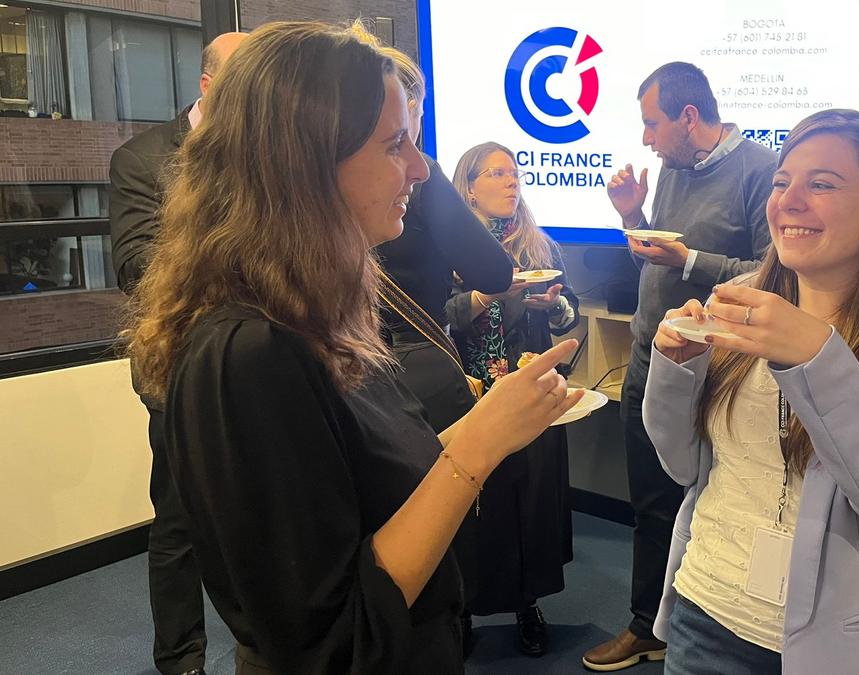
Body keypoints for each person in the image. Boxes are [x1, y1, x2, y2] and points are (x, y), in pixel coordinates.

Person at [124, 21, 583, 674]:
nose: (420, 168)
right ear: (307, 164)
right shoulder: (250, 352)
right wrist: (478, 449)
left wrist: (491, 420)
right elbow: (335, 635)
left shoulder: (322, 312)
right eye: (395, 145)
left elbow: (369, 486)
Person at [645, 110, 859, 674]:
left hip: (848, 645)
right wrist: (676, 369)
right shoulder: (737, 300)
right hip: (706, 611)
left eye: (822, 185)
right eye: (781, 182)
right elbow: (682, 464)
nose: (790, 201)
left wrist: (818, 359)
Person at [584, 61, 778, 671]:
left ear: (689, 117)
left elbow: (771, 277)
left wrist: (689, 259)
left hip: (714, 370)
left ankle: (698, 628)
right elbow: (656, 263)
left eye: (652, 124)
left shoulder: (760, 171)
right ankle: (649, 625)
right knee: (649, 500)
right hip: (651, 357)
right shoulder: (670, 169)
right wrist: (632, 217)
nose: (646, 139)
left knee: (704, 501)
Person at [108, 30, 248, 675]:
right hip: (180, 362)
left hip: (265, 356)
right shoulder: (142, 159)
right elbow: (136, 268)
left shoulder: (272, 149)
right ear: (209, 86)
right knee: (181, 518)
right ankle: (182, 658)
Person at [445, 141, 580, 657]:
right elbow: (434, 316)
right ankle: (461, 610)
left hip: (527, 388)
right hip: (469, 393)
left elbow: (568, 315)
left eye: (514, 172)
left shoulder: (539, 247)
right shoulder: (446, 249)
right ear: (469, 187)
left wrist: (553, 306)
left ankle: (528, 605)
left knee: (529, 501)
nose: (511, 182)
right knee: (471, 504)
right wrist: (486, 296)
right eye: (496, 173)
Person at [349, 24, 513, 433]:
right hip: (418, 369)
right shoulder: (421, 175)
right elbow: (495, 272)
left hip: (352, 369)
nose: (415, 165)